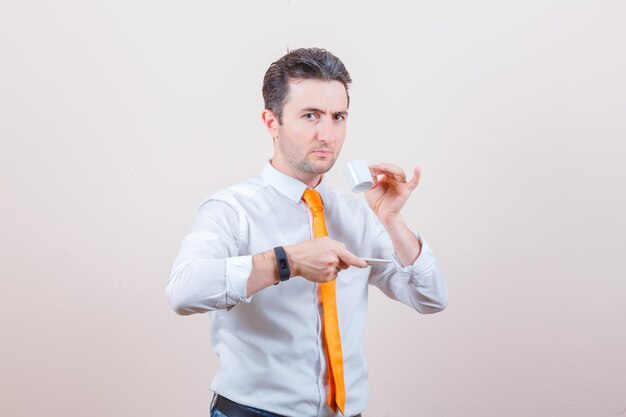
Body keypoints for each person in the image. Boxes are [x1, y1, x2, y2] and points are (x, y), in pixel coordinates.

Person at [166, 47, 448, 417]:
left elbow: (430, 298)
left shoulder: (359, 215)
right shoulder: (231, 209)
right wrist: (288, 261)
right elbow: (183, 291)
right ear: (272, 122)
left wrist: (392, 220)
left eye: (338, 117)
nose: (327, 135)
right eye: (311, 116)